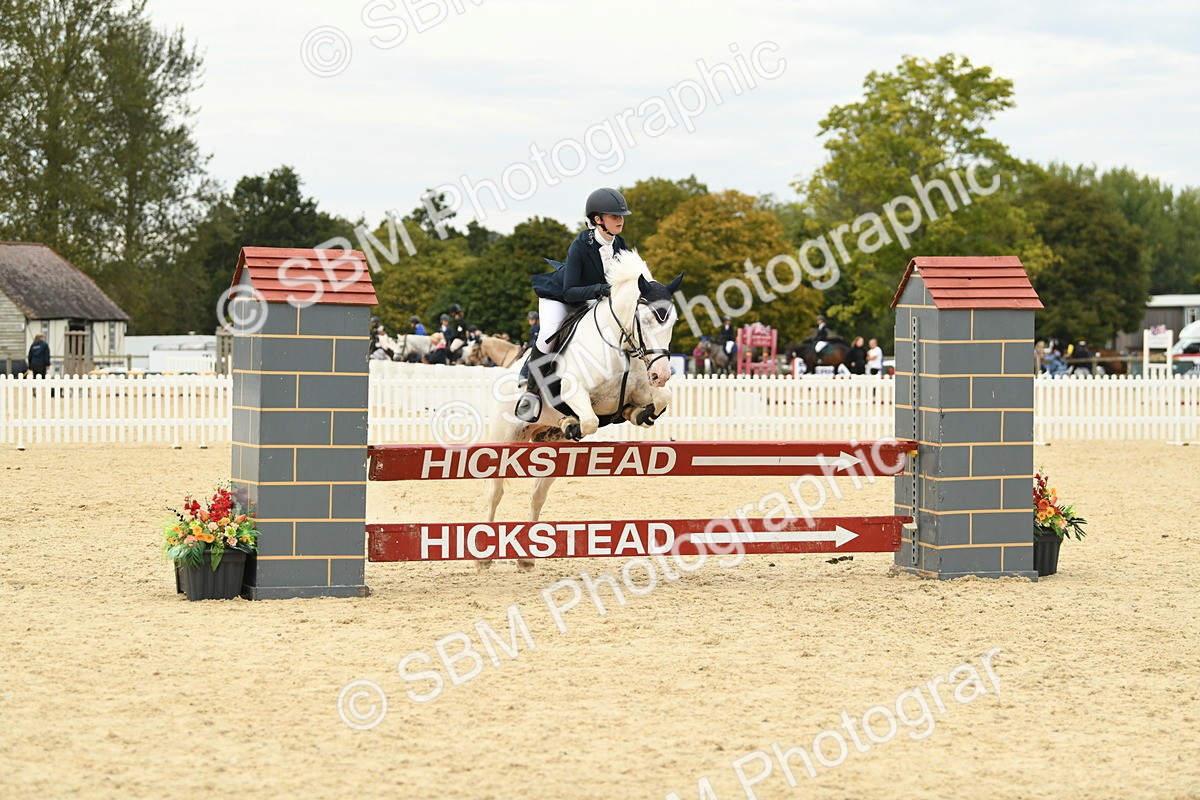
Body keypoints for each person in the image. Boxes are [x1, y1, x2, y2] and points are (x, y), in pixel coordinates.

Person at [515, 187, 631, 421]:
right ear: (598, 220)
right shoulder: (580, 245)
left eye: (621, 216)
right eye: (614, 216)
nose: (620, 220)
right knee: (549, 332)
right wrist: (601, 289)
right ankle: (531, 393)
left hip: (593, 298)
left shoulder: (619, 244)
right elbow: (569, 292)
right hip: (560, 297)